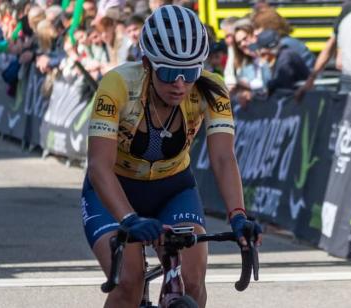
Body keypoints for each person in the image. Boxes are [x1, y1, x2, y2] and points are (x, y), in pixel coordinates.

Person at [81, 5, 262, 308]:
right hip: (114, 189)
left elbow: (223, 158)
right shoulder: (118, 85)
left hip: (173, 189)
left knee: (191, 282)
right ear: (147, 63)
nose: (179, 84)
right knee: (128, 282)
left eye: (190, 73)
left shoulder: (212, 89)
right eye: (168, 73)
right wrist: (129, 218)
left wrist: (238, 215)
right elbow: (99, 165)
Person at [248, 29, 309, 96]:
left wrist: (266, 86)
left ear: (269, 51)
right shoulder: (283, 55)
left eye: (263, 54)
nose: (259, 56)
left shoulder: (285, 58)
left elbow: (283, 82)